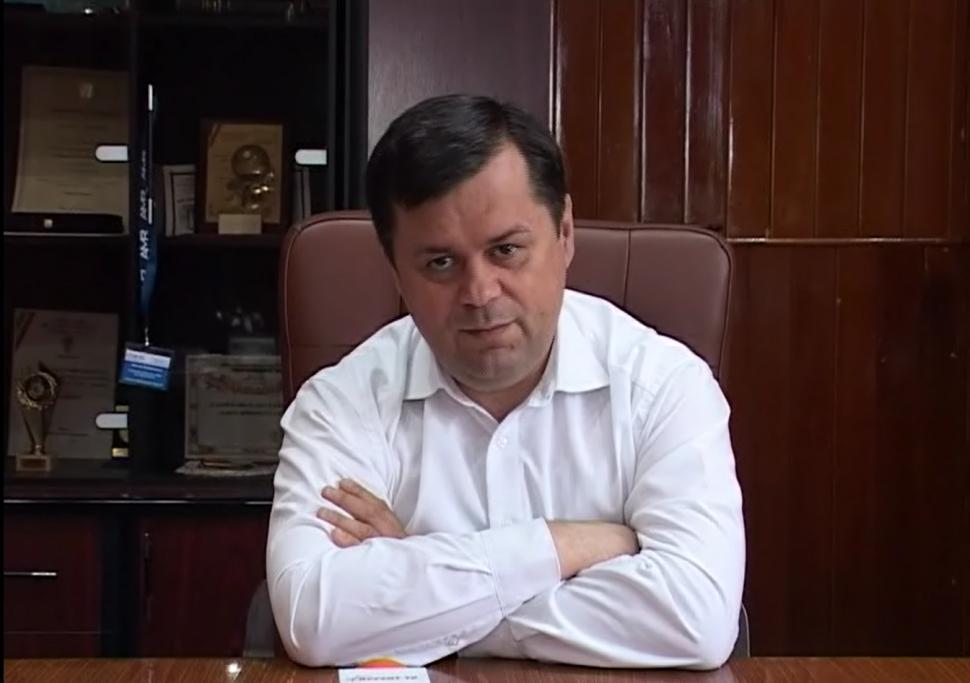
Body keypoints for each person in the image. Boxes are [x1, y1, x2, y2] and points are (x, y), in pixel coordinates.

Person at [266, 94, 745, 669]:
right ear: (395, 270)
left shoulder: (665, 388)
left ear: (564, 233)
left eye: (507, 250)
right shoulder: (341, 403)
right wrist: (567, 544)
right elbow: (314, 618)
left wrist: (425, 594)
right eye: (440, 263)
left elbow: (696, 618)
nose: (480, 293)